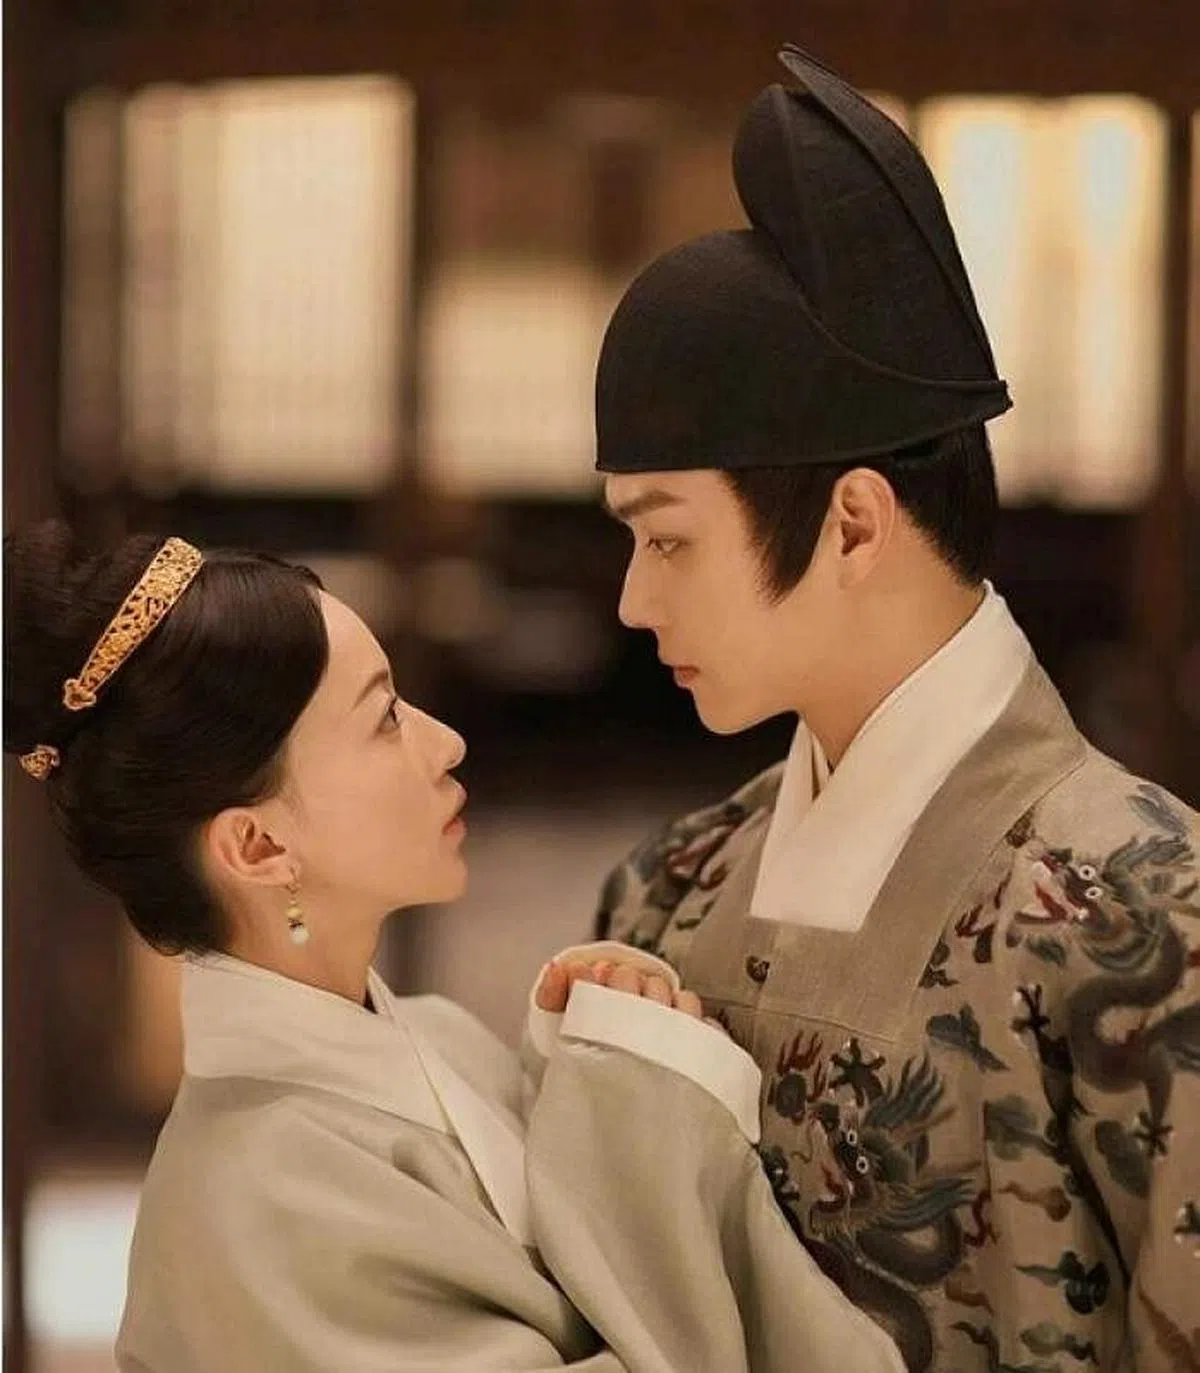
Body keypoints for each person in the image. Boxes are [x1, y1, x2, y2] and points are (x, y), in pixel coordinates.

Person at [592, 44, 1199, 1373]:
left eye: (669, 539)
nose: (633, 600)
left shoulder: (1146, 907)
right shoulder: (667, 894)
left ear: (855, 522)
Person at [4, 520, 903, 1373]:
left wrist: (583, 1065)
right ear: (259, 845)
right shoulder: (253, 1206)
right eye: (386, 718)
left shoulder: (437, 1038)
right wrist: (643, 1100)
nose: (446, 741)